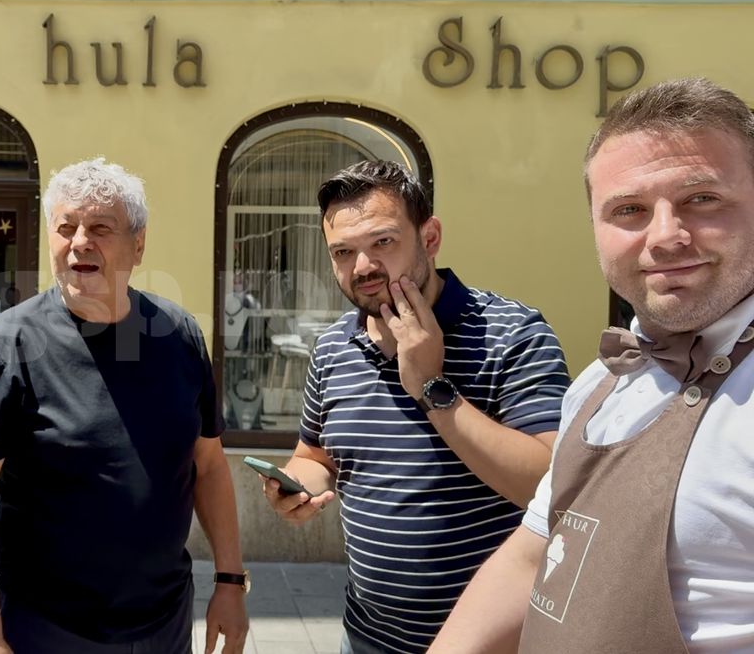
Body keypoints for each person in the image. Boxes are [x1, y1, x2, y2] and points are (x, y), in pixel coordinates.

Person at [431, 78, 754, 653]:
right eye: (629, 210)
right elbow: (535, 553)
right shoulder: (601, 381)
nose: (665, 237)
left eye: (702, 199)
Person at [261, 160, 571, 654]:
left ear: (430, 238)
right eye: (343, 252)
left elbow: (549, 486)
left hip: (494, 644)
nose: (363, 267)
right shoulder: (333, 347)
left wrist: (432, 385)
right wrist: (298, 486)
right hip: (366, 637)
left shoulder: (513, 334)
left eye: (383, 242)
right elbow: (316, 454)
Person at [0, 157, 249, 654]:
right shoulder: (4, 345)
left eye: (101, 228)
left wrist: (231, 581)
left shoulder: (180, 334)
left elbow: (209, 465)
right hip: (47, 630)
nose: (80, 242)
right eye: (66, 228)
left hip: (165, 625)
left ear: (139, 244)